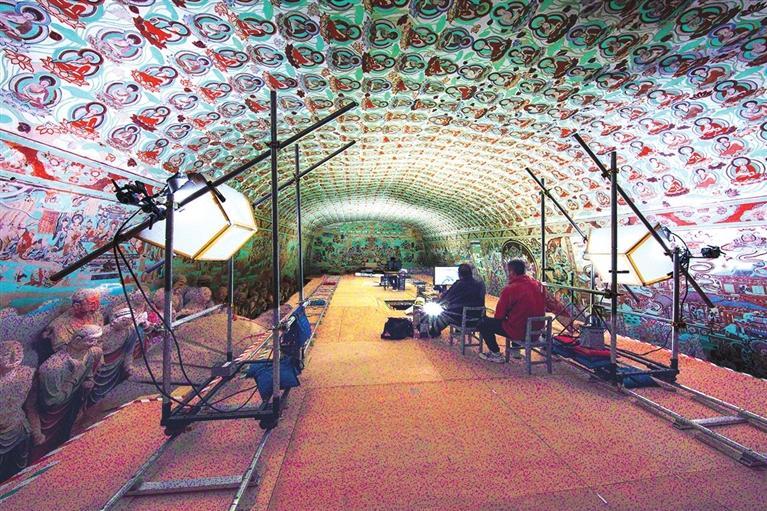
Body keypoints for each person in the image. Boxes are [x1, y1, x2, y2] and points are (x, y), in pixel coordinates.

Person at [478, 259, 545, 363]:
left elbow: (499, 316)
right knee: (518, 316)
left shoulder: (510, 289)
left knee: (483, 323)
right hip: (536, 332)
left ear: (512, 272)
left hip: (519, 332)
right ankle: (515, 350)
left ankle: (495, 353)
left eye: (507, 271)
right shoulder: (537, 285)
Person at [429, 263, 486, 335]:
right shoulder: (480, 284)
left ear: (459, 274)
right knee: (457, 309)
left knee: (444, 313)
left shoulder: (459, 284)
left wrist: (438, 299)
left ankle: (433, 331)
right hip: (479, 320)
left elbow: (446, 298)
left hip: (462, 320)